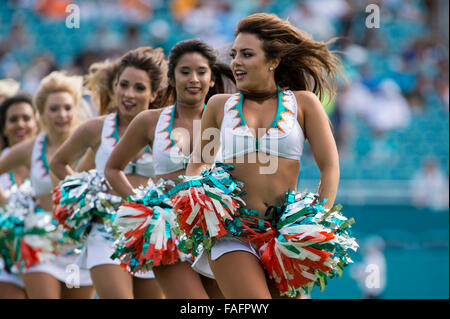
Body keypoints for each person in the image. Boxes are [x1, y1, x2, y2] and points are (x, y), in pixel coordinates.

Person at [183, 13, 349, 298]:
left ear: (273, 60)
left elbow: (330, 167)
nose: (236, 62)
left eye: (247, 54)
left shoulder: (304, 104)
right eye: (234, 54)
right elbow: (200, 161)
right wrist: (195, 195)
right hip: (231, 233)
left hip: (285, 237)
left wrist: (314, 224)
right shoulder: (219, 106)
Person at [105, 39, 234, 298]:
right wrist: (142, 209)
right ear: (172, 78)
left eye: (201, 71)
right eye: (184, 71)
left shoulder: (231, 119)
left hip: (218, 232)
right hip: (168, 231)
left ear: (211, 79)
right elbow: (113, 168)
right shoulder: (149, 120)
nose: (193, 79)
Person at [50, 47, 167, 299]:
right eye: (123, 85)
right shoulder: (96, 128)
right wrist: (85, 193)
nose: (128, 94)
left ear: (154, 93)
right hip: (105, 230)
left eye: (139, 88)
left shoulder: (166, 130)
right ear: (114, 86)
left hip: (151, 230)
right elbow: (59, 163)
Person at [0, 71, 94, 299]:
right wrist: (8, 208)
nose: (62, 114)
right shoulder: (31, 148)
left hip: (78, 246)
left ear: (75, 110)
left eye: (67, 107)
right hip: (38, 244)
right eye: (54, 109)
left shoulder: (90, 146)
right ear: (42, 113)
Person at [0, 93, 39, 298]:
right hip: (6, 264)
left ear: (36, 123)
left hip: (49, 259)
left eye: (26, 118)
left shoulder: (51, 163)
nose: (20, 124)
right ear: (4, 128)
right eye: (13, 119)